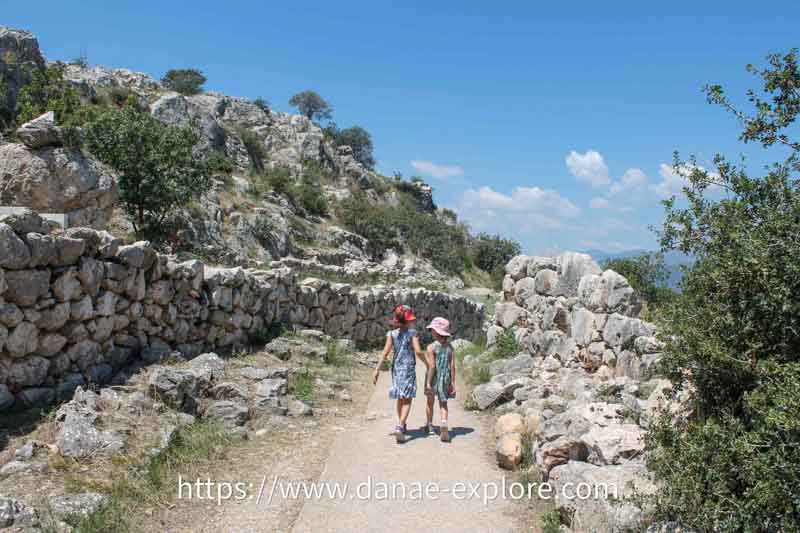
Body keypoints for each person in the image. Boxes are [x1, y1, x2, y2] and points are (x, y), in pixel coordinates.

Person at [373, 305, 427, 443]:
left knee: (399, 397)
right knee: (407, 399)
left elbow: (385, 352)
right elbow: (419, 351)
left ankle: (401, 424)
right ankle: (401, 425)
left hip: (396, 369)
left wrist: (377, 369)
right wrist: (428, 364)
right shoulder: (412, 333)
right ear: (408, 321)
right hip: (408, 369)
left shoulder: (391, 334)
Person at [423, 317, 456, 442]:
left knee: (430, 402)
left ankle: (430, 426)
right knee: (443, 402)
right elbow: (452, 367)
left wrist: (428, 382)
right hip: (446, 377)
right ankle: (443, 422)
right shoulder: (450, 348)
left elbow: (432, 366)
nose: (431, 332)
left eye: (432, 330)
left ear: (436, 332)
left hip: (434, 378)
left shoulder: (431, 347)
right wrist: (453, 383)